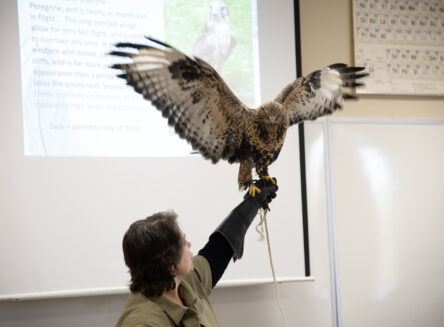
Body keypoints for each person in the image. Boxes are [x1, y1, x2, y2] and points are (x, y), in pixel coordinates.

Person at [116, 179, 278, 327]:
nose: (189, 245)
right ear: (170, 266)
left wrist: (251, 203)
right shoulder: (142, 323)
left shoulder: (183, 283)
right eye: (183, 243)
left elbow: (217, 252)